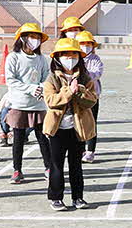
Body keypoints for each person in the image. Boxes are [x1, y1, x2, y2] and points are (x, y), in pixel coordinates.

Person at [42, 38, 98, 211]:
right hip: (57, 129)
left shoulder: (85, 77)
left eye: (73, 54)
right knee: (56, 164)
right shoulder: (52, 78)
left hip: (77, 128)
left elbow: (91, 101)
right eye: (65, 54)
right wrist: (68, 91)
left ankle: (78, 197)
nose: (70, 57)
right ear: (57, 57)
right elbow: (51, 101)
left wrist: (80, 90)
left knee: (76, 165)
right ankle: (56, 197)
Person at [4, 23, 52, 184]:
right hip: (20, 103)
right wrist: (30, 88)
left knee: (43, 137)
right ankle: (17, 170)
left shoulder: (41, 58)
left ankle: (49, 167)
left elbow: (47, 76)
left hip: (38, 104)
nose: (35, 40)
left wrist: (40, 88)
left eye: (38, 37)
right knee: (18, 138)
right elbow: (11, 80)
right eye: (32, 37)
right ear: (23, 38)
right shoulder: (13, 57)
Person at [75, 31, 104, 163]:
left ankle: (90, 151)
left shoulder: (96, 59)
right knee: (77, 122)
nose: (85, 46)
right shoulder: (74, 57)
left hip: (92, 96)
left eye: (88, 43)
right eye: (82, 43)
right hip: (76, 95)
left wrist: (83, 75)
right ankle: (80, 149)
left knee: (91, 122)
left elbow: (96, 74)